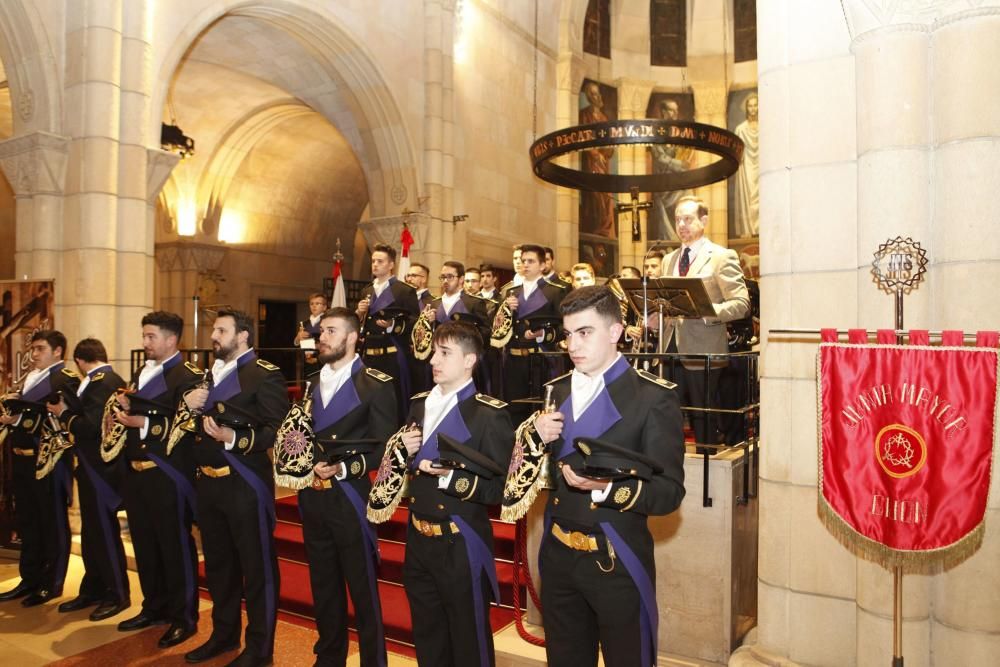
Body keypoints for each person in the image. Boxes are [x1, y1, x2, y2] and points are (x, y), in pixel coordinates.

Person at [529, 285, 686, 667]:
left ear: (615, 332)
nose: (573, 345)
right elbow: (530, 476)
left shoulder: (652, 397)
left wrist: (608, 487)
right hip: (558, 555)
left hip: (616, 557)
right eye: (568, 334)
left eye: (585, 333)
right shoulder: (555, 390)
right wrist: (533, 440)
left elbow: (668, 493)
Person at [400, 321, 514, 667]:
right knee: (428, 635)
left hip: (460, 540)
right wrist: (404, 454)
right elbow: (407, 469)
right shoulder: (419, 404)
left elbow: (501, 489)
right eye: (435, 351)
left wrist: (453, 479)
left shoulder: (489, 415)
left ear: (469, 361)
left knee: (469, 642)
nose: (434, 359)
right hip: (418, 537)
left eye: (445, 353)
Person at [182, 309, 289, 667]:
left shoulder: (263, 375)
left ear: (242, 336)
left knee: (256, 570)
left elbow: (277, 429)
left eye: (221, 330)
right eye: (214, 329)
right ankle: (223, 635)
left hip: (244, 483)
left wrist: (234, 437)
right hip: (208, 484)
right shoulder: (207, 375)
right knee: (219, 567)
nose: (214, 336)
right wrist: (187, 405)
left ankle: (260, 650)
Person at [298, 307, 396, 667]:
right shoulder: (309, 383)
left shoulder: (376, 384)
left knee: (363, 589)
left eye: (331, 331)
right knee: (323, 586)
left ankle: (374, 661)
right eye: (322, 331)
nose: (322, 337)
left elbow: (385, 448)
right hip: (312, 496)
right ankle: (329, 657)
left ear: (352, 337)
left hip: (351, 497)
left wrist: (343, 467)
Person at [114, 311, 204, 648]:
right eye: (145, 336)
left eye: (151, 337)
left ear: (171, 339)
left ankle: (184, 617)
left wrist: (145, 424)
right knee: (145, 543)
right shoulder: (142, 370)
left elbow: (189, 426)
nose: (145, 343)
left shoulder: (188, 375)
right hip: (137, 473)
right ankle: (153, 606)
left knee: (174, 546)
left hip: (167, 473)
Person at [0, 330, 80, 607]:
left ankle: (51, 583)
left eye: (40, 349)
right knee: (29, 521)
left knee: (52, 522)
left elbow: (66, 421)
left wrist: (20, 418)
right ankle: (29, 578)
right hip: (22, 458)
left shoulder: (66, 379)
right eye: (32, 349)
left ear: (58, 351)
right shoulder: (29, 378)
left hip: (50, 461)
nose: (34, 354)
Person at [662, 196, 750, 448]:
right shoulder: (669, 259)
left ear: (704, 220)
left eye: (687, 219)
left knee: (702, 416)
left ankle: (707, 470)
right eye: (677, 219)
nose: (681, 225)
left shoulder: (722, 257)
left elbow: (742, 304)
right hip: (670, 346)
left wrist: (707, 312)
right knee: (668, 413)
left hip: (703, 348)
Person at [51, 338, 129, 621]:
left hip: (100, 471)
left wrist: (64, 414)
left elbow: (91, 427)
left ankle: (118, 593)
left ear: (80, 361)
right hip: (90, 468)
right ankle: (93, 587)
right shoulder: (102, 380)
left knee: (105, 534)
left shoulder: (103, 382)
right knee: (92, 533)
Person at [356, 243, 419, 424]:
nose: (375, 264)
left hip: (392, 354)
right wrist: (360, 313)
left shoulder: (404, 290)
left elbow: (414, 322)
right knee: (368, 399)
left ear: (391, 265)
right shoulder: (366, 290)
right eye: (373, 261)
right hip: (368, 353)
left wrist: (393, 324)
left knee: (393, 402)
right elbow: (363, 325)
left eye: (380, 261)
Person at [501, 244, 566, 405]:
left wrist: (542, 334)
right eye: (523, 261)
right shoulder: (511, 292)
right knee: (515, 407)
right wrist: (505, 310)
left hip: (541, 359)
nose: (525, 265)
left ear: (543, 265)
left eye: (531, 261)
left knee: (539, 407)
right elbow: (498, 328)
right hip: (513, 359)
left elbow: (564, 327)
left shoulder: (555, 291)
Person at [423, 261, 492, 393]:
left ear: (461, 279)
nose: (445, 281)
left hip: (464, 362)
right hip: (439, 360)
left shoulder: (474, 302)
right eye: (442, 277)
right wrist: (429, 323)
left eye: (450, 277)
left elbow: (486, 332)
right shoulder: (433, 303)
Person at [649, 99, 693, 241]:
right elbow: (660, 158)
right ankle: (669, 239)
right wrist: (680, 164)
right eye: (671, 110)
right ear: (663, 112)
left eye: (676, 111)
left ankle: (687, 236)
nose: (674, 114)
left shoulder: (678, 133)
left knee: (689, 194)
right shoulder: (655, 133)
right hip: (663, 182)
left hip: (677, 181)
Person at [579, 82, 616, 238]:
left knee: (605, 196)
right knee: (594, 196)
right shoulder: (584, 115)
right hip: (590, 164)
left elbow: (609, 144)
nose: (598, 97)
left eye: (598, 93)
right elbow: (581, 138)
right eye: (593, 94)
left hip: (603, 164)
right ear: (588, 97)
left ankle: (605, 229)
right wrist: (595, 154)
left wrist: (607, 150)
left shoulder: (604, 118)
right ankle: (595, 229)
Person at [733, 93, 760, 237]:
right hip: (747, 168)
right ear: (746, 108)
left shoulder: (765, 127)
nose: (753, 109)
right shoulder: (741, 129)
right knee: (748, 197)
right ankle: (749, 229)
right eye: (750, 106)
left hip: (761, 167)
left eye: (756, 105)